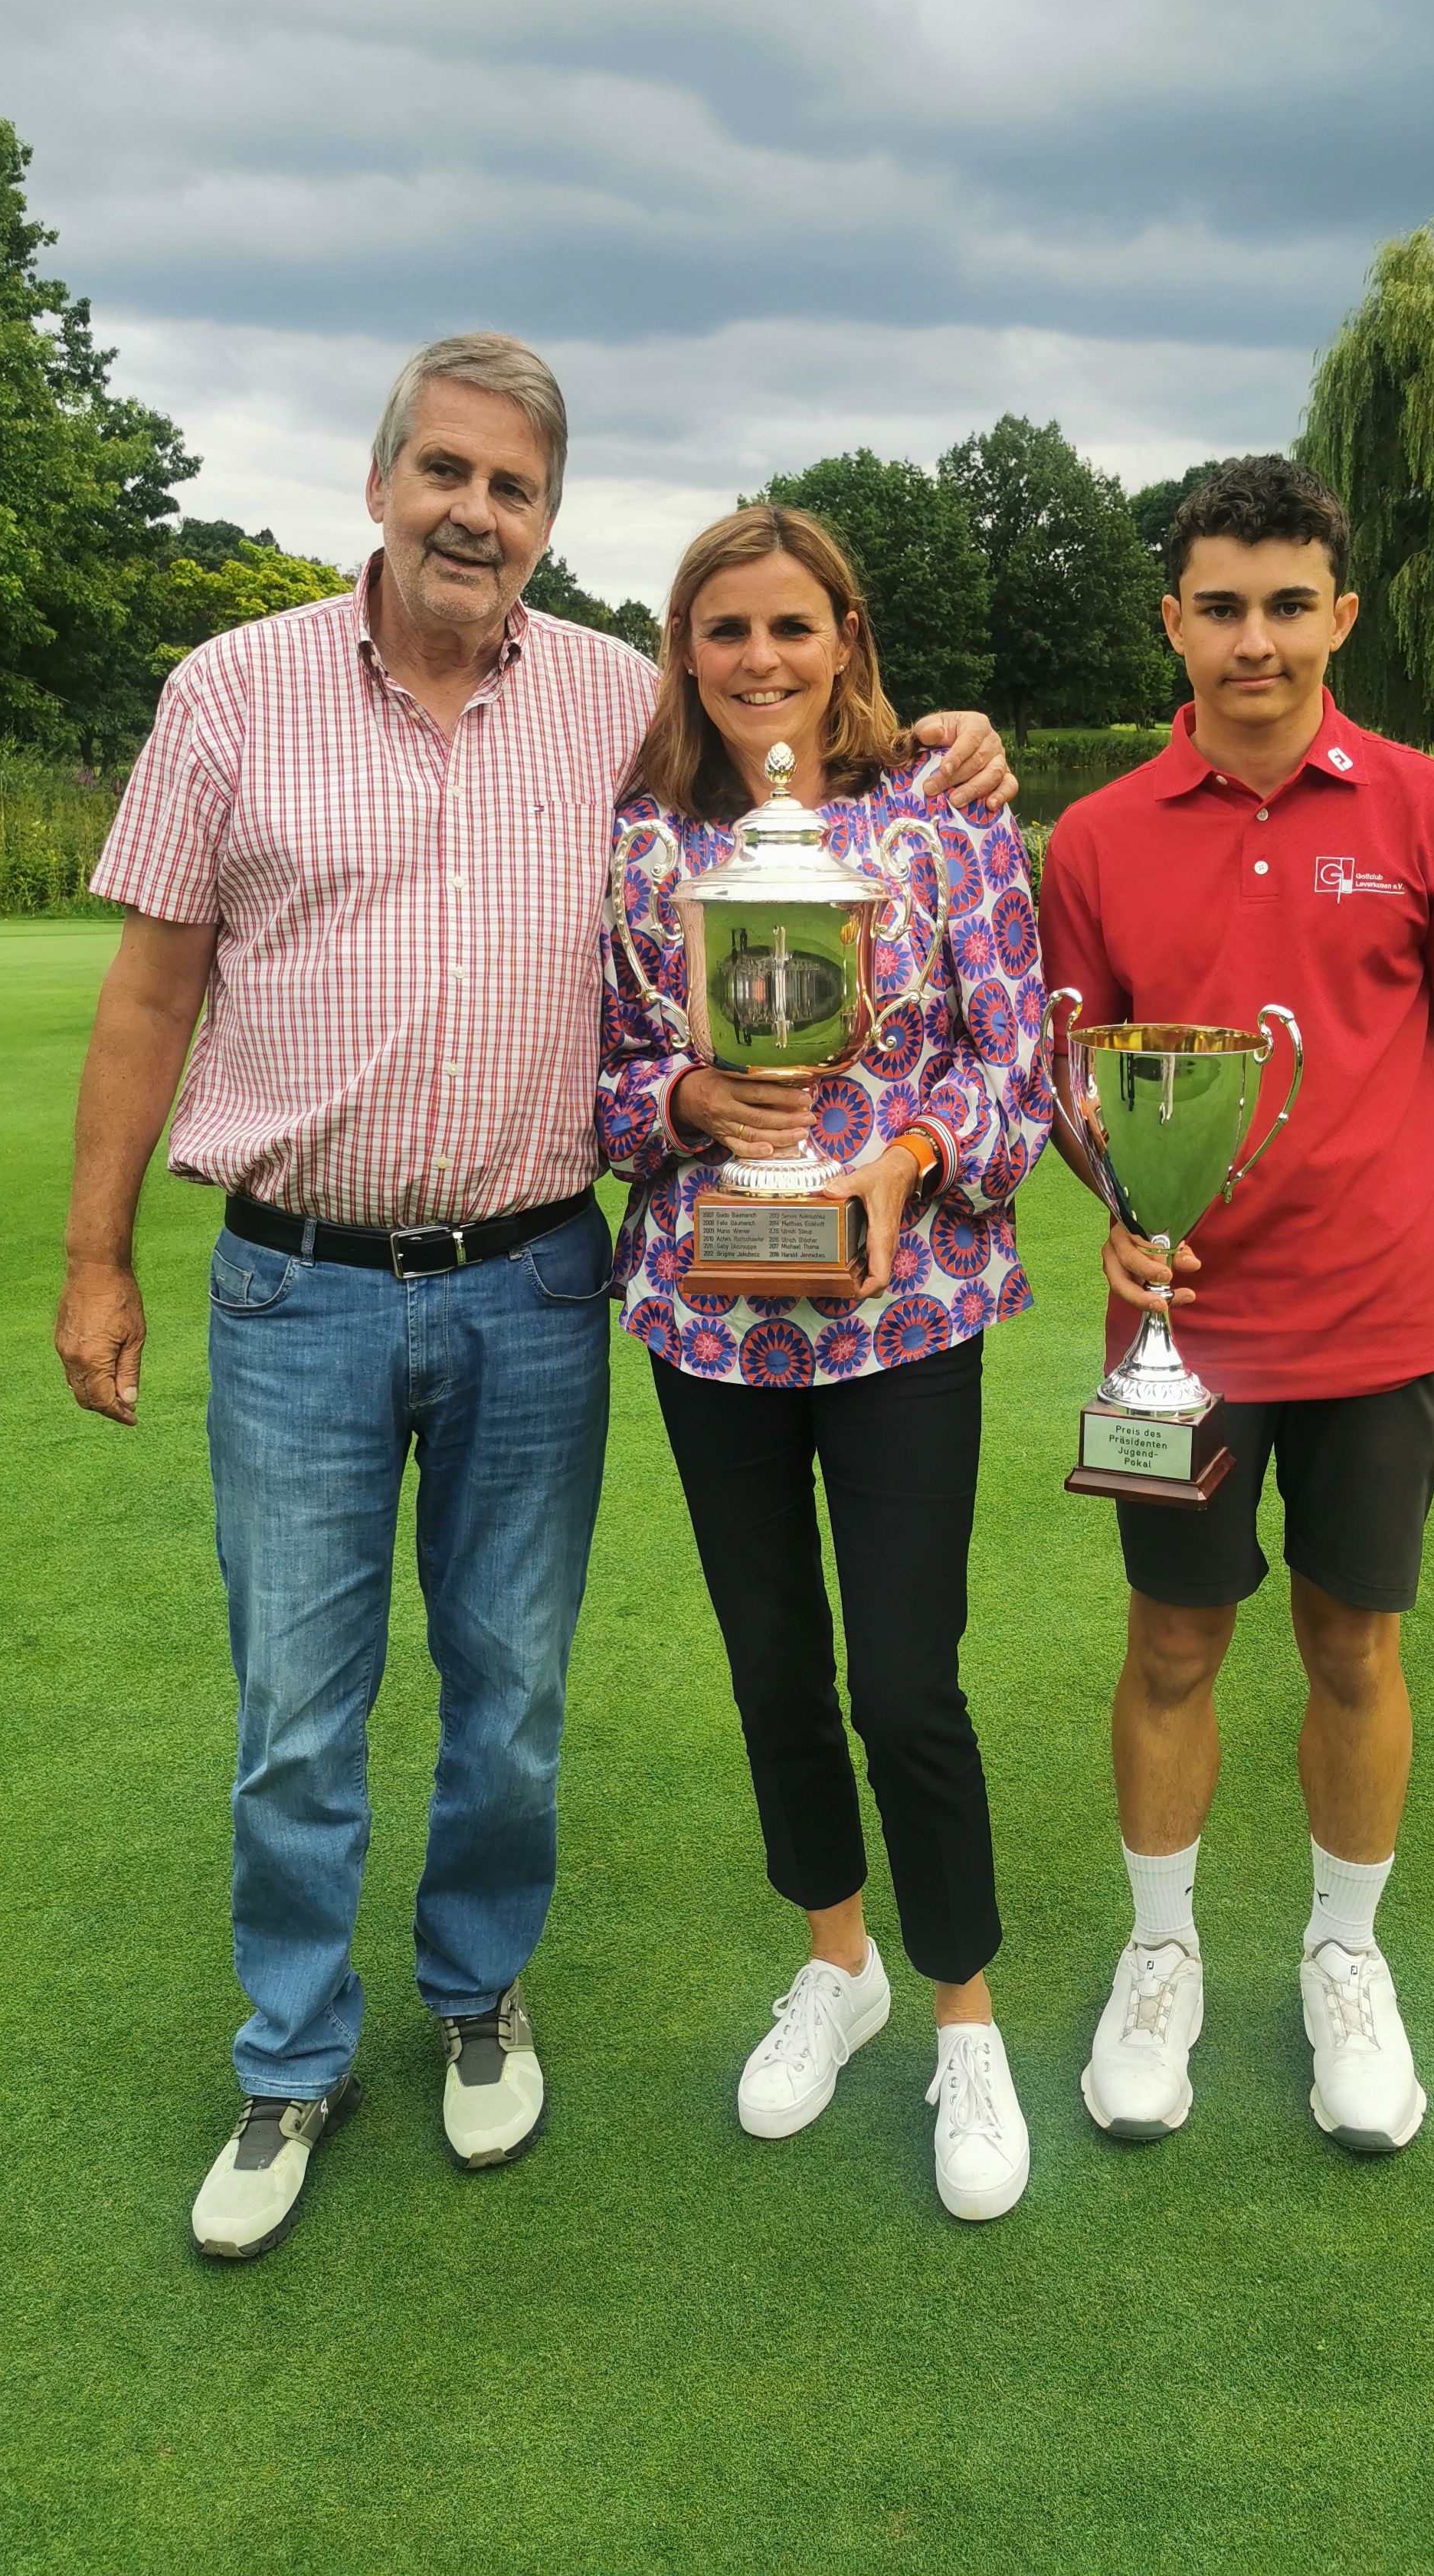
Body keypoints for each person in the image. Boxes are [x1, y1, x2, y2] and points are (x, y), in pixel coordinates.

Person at [53, 334, 1013, 2262]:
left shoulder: (613, 710)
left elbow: (838, 808)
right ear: (382, 482)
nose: (474, 513)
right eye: (446, 472)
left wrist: (954, 743)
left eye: (513, 487)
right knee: (299, 1710)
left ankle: (485, 1994)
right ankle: (291, 2058)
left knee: (515, 1696)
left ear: (551, 519)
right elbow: (155, 987)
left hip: (542, 1281)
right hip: (301, 1284)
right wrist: (94, 1255)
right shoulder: (236, 689)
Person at [1036, 455, 1434, 2155]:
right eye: (1221, 607)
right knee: (1173, 1643)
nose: (1254, 639)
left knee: (1354, 1642)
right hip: (1178, 1336)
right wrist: (1133, 1215)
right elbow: (1071, 1085)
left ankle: (1344, 1955)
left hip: (1380, 1329)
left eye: (1286, 605)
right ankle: (1160, 1956)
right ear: (1172, 624)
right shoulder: (1098, 837)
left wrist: (1377, 1199)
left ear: (1341, 615)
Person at [598, 505, 1053, 2221]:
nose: (760, 659)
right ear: (684, 648)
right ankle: (837, 1963)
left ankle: (966, 2020)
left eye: (793, 625)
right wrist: (686, 1099)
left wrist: (906, 1160)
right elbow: (591, 1085)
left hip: (902, 1309)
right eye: (726, 629)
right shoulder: (642, 841)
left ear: (848, 637)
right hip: (712, 1319)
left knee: (907, 1683)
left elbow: (1016, 1071)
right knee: (775, 1668)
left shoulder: (945, 820)